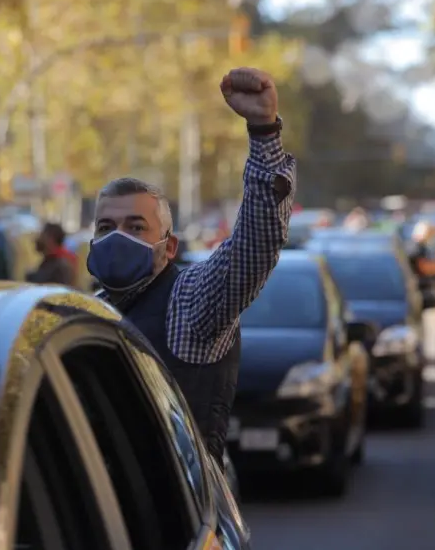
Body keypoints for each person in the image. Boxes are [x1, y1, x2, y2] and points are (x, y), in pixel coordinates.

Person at [86, 67, 296, 461]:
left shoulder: (189, 303)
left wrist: (264, 131)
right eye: (106, 227)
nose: (118, 238)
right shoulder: (88, 312)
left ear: (169, 247)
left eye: (136, 227)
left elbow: (255, 245)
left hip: (177, 497)